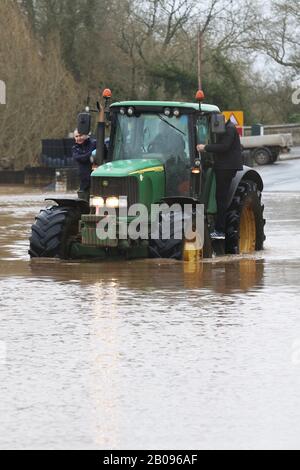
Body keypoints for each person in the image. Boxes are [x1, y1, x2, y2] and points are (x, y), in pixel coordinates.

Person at [197, 119, 243, 240]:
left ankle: (220, 230)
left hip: (226, 167)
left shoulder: (229, 129)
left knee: (221, 198)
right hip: (224, 165)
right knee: (219, 197)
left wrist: (205, 147)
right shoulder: (227, 127)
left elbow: (224, 146)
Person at [72, 107, 105, 196]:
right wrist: (91, 154)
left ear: (86, 134)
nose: (78, 138)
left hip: (97, 182)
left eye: (80, 135)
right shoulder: (75, 149)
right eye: (76, 136)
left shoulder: (94, 143)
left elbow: (103, 149)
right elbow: (80, 158)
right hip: (84, 184)